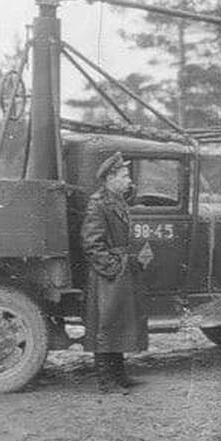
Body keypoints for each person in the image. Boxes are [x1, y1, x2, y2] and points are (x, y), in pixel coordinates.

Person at [81, 152, 148, 393]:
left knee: (117, 323)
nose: (129, 180)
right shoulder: (98, 204)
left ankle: (119, 375)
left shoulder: (116, 199)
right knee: (107, 325)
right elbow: (91, 244)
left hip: (118, 271)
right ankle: (107, 382)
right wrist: (113, 268)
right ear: (110, 178)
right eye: (124, 176)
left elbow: (130, 193)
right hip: (108, 275)